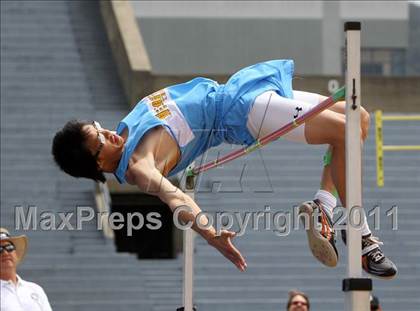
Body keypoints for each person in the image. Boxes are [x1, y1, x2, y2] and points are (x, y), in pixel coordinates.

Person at [52, 59, 396, 277]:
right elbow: (175, 200)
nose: (110, 133)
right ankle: (361, 235)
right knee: (346, 129)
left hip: (238, 89)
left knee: (359, 118)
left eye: (99, 127)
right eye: (102, 140)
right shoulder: (140, 167)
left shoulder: (123, 133)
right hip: (242, 113)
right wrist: (210, 233)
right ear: (98, 162)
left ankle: (324, 205)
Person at [0, 227, 53, 311]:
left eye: (9, 247)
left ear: (16, 254)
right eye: (0, 250)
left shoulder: (35, 289)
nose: (5, 253)